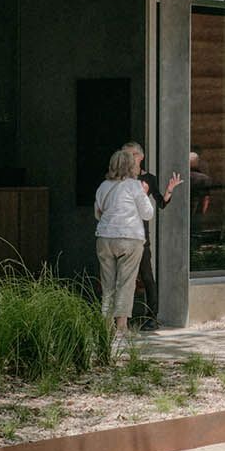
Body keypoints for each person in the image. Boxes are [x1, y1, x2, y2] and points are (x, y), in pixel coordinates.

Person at [95, 144, 154, 345]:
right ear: (131, 166)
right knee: (126, 283)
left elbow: (98, 212)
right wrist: (145, 193)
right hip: (130, 238)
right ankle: (122, 326)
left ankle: (105, 325)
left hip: (105, 238)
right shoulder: (135, 186)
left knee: (107, 284)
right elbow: (148, 213)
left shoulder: (103, 186)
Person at [130, 150, 183, 330]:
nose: (128, 158)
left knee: (146, 275)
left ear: (140, 156)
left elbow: (160, 203)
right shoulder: (121, 179)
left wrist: (169, 190)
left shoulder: (148, 179)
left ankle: (152, 316)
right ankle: (120, 317)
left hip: (141, 234)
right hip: (124, 233)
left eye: (132, 154)